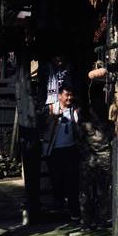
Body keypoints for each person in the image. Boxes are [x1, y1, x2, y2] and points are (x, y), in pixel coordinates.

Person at [44, 82, 81, 222]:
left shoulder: (75, 111)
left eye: (71, 95)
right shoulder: (50, 109)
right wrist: (53, 118)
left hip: (70, 149)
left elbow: (78, 130)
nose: (69, 98)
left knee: (72, 182)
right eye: (67, 95)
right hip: (54, 150)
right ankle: (59, 205)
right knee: (56, 181)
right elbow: (42, 126)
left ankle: (74, 212)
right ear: (59, 96)